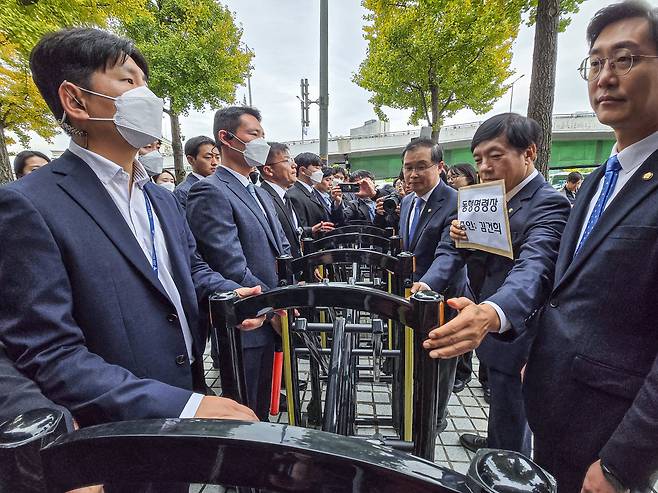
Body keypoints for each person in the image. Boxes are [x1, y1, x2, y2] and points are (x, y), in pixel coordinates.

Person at [0, 28, 260, 433]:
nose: (148, 97)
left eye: (146, 83)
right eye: (128, 81)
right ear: (75, 100)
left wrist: (224, 293)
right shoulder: (29, 204)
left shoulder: (160, 198)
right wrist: (183, 405)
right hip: (116, 430)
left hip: (184, 391)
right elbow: (49, 352)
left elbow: (188, 268)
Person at [523, 3, 658, 490]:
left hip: (610, 440)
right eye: (595, 63)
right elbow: (569, 288)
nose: (606, 77)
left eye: (625, 60)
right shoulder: (603, 176)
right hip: (557, 415)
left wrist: (624, 462)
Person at [424, 114, 570, 457]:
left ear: (529, 153)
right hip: (485, 320)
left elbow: (535, 267)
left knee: (512, 412)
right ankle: (494, 446)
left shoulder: (548, 203)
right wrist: (457, 245)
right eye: (478, 159)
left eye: (495, 155)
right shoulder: (483, 197)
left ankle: (507, 466)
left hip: (516, 327)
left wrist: (494, 312)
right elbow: (456, 251)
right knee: (501, 406)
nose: (485, 167)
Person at [186, 106, 291, 421]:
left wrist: (287, 295)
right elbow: (228, 264)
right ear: (226, 138)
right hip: (247, 323)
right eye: (253, 134)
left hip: (272, 313)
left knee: (264, 407)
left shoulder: (257, 191)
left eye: (263, 135)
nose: (261, 142)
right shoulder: (210, 190)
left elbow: (281, 248)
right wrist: (270, 306)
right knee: (245, 415)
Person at [398, 138, 472, 432]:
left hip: (443, 297)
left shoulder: (456, 201)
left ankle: (434, 422)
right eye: (408, 168)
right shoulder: (406, 201)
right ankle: (410, 411)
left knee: (441, 364)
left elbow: (450, 252)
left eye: (421, 167)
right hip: (412, 297)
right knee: (415, 359)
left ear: (440, 167)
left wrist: (427, 283)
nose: (413, 174)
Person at [444, 163, 488, 396]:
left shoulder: (485, 198)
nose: (451, 179)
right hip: (468, 273)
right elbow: (452, 249)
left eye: (456, 175)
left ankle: (476, 376)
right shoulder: (458, 202)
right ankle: (462, 372)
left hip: (487, 278)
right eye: (449, 176)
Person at [258, 142, 303, 258]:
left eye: (292, 159)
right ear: (268, 170)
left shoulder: (284, 196)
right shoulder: (263, 198)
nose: (294, 165)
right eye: (287, 160)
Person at [286, 152, 335, 237]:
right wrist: (311, 230)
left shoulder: (314, 191)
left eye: (320, 168)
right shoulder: (293, 195)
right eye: (316, 168)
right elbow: (297, 228)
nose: (320, 172)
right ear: (303, 171)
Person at [173, 135, 220, 209]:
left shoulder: (222, 185)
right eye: (208, 157)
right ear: (191, 160)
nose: (215, 162)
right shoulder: (183, 192)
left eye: (217, 157)